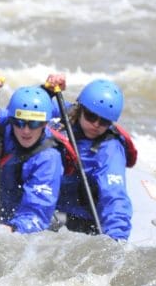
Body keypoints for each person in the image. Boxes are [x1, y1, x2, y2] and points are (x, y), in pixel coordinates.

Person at [0, 71, 75, 234]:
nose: (26, 131)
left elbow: (36, 213)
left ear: (45, 124)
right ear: (11, 119)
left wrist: (11, 229)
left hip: (21, 226)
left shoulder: (49, 158)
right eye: (20, 122)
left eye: (34, 124)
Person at [53, 77, 133, 241]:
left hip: (80, 218)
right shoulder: (65, 114)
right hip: (48, 201)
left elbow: (114, 197)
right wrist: (46, 90)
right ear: (80, 109)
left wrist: (116, 240)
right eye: (91, 116)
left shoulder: (109, 151)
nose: (96, 124)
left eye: (104, 121)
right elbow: (32, 108)